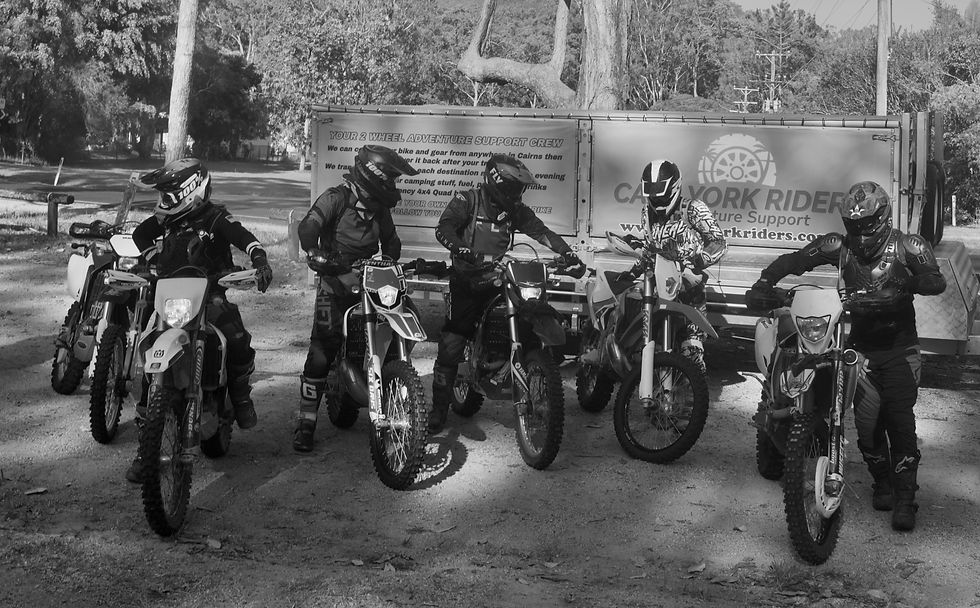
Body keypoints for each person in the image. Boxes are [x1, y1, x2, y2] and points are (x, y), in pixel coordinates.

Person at [746, 180, 946, 531]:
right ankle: (882, 482)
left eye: (867, 224)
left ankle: (905, 500)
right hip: (860, 349)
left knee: (900, 422)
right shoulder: (839, 246)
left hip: (901, 349)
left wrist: (905, 286)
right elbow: (796, 260)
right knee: (867, 428)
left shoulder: (908, 245)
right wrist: (764, 281)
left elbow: (935, 280)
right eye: (854, 225)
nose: (861, 231)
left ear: (882, 217)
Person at [128, 157, 273, 481]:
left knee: (235, 337)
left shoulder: (215, 217)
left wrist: (259, 259)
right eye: (162, 196)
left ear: (190, 190)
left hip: (210, 293)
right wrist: (151, 260)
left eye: (169, 195)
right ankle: (145, 445)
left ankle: (240, 396)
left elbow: (244, 237)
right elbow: (140, 235)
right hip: (170, 293)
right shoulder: (165, 221)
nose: (163, 202)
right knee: (147, 345)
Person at [429, 153, 587, 433]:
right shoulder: (468, 200)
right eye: (514, 188)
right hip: (467, 281)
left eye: (520, 189)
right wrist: (465, 251)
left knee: (527, 315)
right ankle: (439, 409)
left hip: (498, 279)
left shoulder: (515, 211)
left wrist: (569, 254)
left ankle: (518, 367)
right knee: (452, 343)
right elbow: (444, 229)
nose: (518, 194)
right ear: (497, 183)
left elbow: (542, 233)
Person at [293, 144, 419, 452]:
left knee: (405, 318)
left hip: (370, 280)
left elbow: (390, 242)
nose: (392, 186)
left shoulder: (380, 208)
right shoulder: (337, 198)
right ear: (373, 174)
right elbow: (308, 227)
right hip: (335, 280)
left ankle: (388, 384)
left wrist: (389, 261)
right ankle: (306, 421)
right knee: (323, 350)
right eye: (389, 179)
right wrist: (316, 253)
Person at [627, 159, 727, 374]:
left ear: (674, 187)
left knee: (692, 354)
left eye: (661, 192)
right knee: (640, 340)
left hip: (688, 292)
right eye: (651, 192)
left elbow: (718, 241)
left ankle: (692, 400)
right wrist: (632, 271)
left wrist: (700, 260)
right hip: (656, 289)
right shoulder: (647, 213)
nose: (656, 198)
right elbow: (649, 248)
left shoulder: (693, 209)